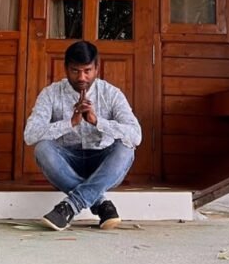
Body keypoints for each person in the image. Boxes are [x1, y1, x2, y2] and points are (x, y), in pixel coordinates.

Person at [23, 40, 142, 231]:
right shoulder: (50, 93)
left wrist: (97, 122)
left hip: (104, 165)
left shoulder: (111, 93)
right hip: (67, 165)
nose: (81, 77)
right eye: (75, 71)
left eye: (87, 71)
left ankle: (71, 206)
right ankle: (101, 203)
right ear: (65, 69)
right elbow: (30, 135)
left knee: (126, 148)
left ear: (97, 68)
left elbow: (136, 135)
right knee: (42, 148)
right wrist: (70, 123)